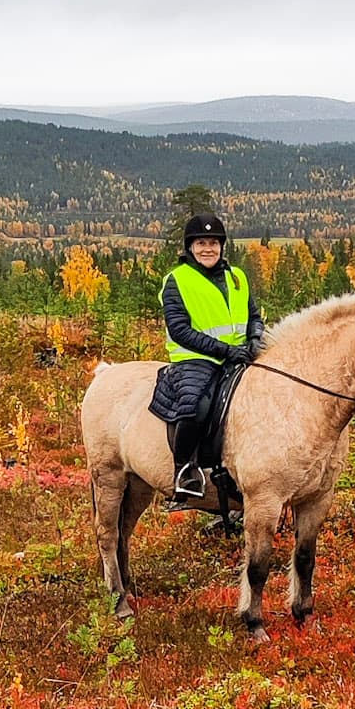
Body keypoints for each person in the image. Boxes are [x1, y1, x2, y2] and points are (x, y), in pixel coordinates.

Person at [149, 213, 264, 501]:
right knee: (195, 405)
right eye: (201, 243)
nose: (208, 248)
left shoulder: (237, 277)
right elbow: (179, 330)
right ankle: (185, 471)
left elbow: (253, 315)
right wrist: (224, 350)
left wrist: (254, 337)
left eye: (213, 242)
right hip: (196, 358)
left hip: (240, 355)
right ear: (190, 247)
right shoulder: (176, 280)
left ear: (222, 246)